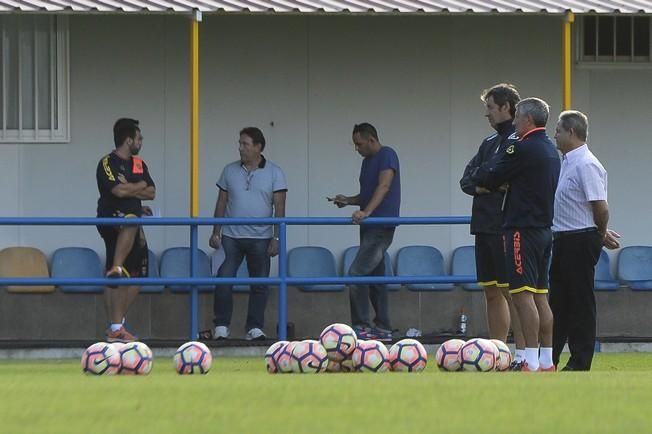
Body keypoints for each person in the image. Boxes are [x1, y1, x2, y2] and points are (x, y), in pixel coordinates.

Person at [472, 98, 560, 372]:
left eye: (518, 117)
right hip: (545, 230)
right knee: (541, 296)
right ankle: (546, 359)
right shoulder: (550, 149)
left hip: (521, 230)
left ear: (528, 120)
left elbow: (488, 176)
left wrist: (485, 174)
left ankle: (529, 360)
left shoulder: (520, 148)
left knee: (522, 296)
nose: (515, 122)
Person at [460, 83, 526, 363]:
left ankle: (524, 354)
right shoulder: (488, 143)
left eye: (490, 108)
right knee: (490, 290)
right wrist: (486, 184)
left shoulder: (518, 140)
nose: (486, 114)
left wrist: (487, 180)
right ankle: (496, 352)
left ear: (506, 108)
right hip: (483, 225)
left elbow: (497, 176)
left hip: (505, 226)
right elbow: (467, 179)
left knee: (513, 292)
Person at [550, 110, 620, 371]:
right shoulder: (568, 162)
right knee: (559, 303)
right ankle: (550, 358)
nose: (554, 134)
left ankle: (580, 362)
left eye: (558, 129)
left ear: (571, 132)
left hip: (579, 241)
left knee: (579, 303)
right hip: (565, 239)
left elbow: (600, 208)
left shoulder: (586, 164)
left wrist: (599, 234)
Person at [209, 127, 287, 341]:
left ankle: (254, 327)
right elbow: (221, 201)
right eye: (240, 143)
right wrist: (216, 231)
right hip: (231, 237)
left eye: (245, 144)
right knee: (224, 279)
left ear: (258, 147)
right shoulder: (229, 170)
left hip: (261, 238)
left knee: (260, 283)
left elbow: (279, 207)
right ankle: (221, 327)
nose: (240, 148)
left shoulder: (275, 173)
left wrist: (276, 237)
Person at [329, 123, 400, 342]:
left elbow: (384, 186)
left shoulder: (388, 155)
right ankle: (383, 327)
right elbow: (368, 193)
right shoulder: (366, 162)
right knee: (376, 279)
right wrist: (348, 201)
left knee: (356, 274)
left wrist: (366, 211)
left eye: (359, 144)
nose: (357, 148)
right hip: (368, 227)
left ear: (371, 140)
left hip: (380, 226)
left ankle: (361, 326)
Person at [96, 118, 155, 343]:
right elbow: (117, 192)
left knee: (139, 276)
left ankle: (116, 326)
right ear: (128, 140)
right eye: (139, 138)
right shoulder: (106, 162)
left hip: (134, 222)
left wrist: (135, 189)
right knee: (118, 274)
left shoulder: (138, 163)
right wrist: (137, 187)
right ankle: (115, 326)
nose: (141, 142)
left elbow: (151, 192)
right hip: (111, 220)